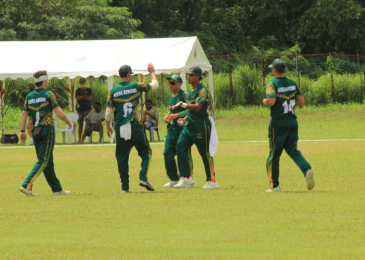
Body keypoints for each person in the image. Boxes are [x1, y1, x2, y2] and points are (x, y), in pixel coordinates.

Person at [105, 63, 159, 193]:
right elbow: (155, 85)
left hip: (120, 126)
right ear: (129, 74)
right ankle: (143, 178)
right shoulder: (136, 86)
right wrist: (152, 72)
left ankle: (125, 187)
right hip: (134, 123)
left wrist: (107, 126)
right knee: (146, 152)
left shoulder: (113, 91)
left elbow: (108, 113)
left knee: (122, 157)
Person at [263, 58, 315, 192]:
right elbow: (302, 100)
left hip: (279, 122)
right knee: (293, 150)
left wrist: (265, 101)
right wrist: (291, 104)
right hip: (292, 121)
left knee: (274, 155)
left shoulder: (271, 83)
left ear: (274, 70)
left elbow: (272, 101)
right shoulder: (292, 83)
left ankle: (275, 186)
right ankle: (307, 169)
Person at [19, 70, 72, 196]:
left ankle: (57, 189)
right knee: (43, 160)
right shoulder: (49, 94)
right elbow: (58, 113)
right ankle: (26, 185)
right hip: (47, 129)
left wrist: (22, 131)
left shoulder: (29, 96)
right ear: (44, 81)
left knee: (47, 161)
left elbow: (24, 114)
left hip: (35, 131)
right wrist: (68, 122)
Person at [173, 66, 218, 189]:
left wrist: (183, 105)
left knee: (205, 153)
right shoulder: (190, 92)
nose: (188, 76)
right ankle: (187, 178)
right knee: (180, 147)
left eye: (191, 75)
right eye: (188, 74)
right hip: (189, 126)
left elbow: (198, 107)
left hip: (201, 125)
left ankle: (212, 180)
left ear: (198, 76)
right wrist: (185, 119)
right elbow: (191, 109)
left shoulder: (202, 90)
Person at [162, 75, 193, 188]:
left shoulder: (184, 95)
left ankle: (187, 178)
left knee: (183, 152)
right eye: (169, 83)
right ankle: (174, 178)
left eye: (173, 83)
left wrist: (178, 115)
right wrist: (167, 117)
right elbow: (171, 110)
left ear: (180, 84)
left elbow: (191, 109)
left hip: (183, 128)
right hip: (172, 129)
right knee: (167, 152)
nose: (170, 85)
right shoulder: (171, 96)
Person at [75, 77, 92, 143]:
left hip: (87, 108)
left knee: (88, 123)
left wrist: (81, 97)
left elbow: (89, 98)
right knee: (80, 124)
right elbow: (77, 97)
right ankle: (79, 139)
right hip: (80, 109)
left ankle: (85, 138)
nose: (82, 84)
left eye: (83, 82)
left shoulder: (89, 90)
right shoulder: (78, 90)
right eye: (81, 83)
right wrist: (84, 96)